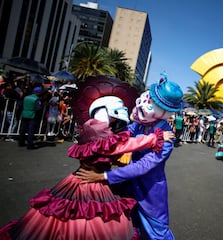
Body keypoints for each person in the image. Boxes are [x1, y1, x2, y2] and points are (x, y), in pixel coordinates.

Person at [0, 93, 173, 239]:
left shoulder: (91, 126)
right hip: (93, 181)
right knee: (94, 221)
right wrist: (155, 138)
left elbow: (120, 144)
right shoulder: (101, 131)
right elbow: (122, 146)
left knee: (64, 217)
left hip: (79, 178)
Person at [76, 74, 183, 239]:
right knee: (130, 226)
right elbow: (124, 136)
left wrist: (104, 175)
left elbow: (143, 166)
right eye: (150, 98)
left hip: (150, 192)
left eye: (153, 103)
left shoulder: (166, 137)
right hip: (128, 185)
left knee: (157, 232)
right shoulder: (140, 123)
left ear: (165, 112)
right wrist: (100, 131)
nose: (145, 103)